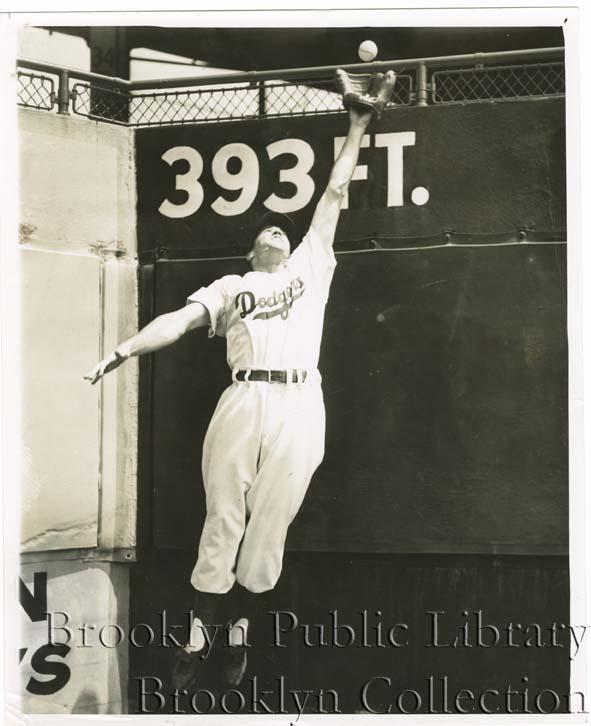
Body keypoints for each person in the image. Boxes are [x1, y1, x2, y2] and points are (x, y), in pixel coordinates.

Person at [84, 71, 396, 691]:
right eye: (268, 232)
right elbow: (177, 320)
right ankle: (197, 639)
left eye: (284, 228)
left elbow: (332, 196)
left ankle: (238, 634)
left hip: (303, 398)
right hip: (246, 396)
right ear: (254, 251)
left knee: (271, 523)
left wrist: (358, 125)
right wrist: (125, 348)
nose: (280, 232)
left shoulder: (312, 265)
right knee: (223, 519)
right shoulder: (233, 288)